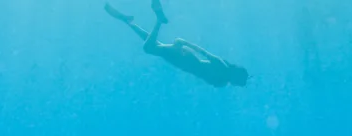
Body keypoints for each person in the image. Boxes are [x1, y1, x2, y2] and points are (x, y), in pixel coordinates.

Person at [104, 0, 250, 88]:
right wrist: (184, 43)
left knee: (152, 44)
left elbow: (204, 68)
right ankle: (159, 20)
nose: (237, 84)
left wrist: (184, 46)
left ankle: (128, 21)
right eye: (239, 81)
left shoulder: (222, 82)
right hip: (186, 59)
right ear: (236, 76)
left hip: (185, 61)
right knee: (148, 48)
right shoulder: (221, 68)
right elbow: (203, 52)